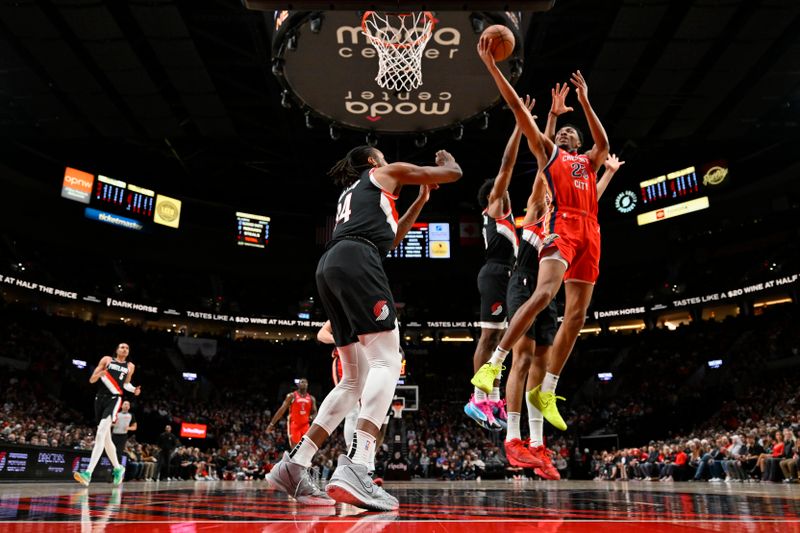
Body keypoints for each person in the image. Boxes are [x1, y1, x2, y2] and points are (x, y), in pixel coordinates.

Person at [267, 145, 461, 510]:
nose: (389, 160)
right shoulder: (379, 175)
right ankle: (360, 465)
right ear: (373, 161)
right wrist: (444, 163)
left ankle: (295, 464)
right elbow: (454, 174)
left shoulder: (357, 196)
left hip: (331, 265)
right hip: (357, 260)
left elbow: (390, 239)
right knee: (388, 361)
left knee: (353, 379)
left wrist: (419, 200)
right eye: (384, 155)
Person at [471, 34, 610, 433]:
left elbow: (603, 142)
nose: (564, 135)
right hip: (562, 226)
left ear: (578, 143)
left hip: (591, 232)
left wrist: (584, 102)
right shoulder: (551, 157)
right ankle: (494, 365)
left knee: (578, 314)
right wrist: (494, 69)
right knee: (546, 294)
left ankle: (547, 389)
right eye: (559, 133)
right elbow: (519, 111)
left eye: (570, 134)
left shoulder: (589, 161)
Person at [464, 97, 533, 432]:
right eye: (501, 192)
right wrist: (521, 126)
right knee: (490, 338)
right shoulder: (494, 208)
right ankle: (478, 397)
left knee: (502, 338)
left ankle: (489, 396)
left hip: (506, 275)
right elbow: (506, 164)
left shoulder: (508, 221)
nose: (506, 194)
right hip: (494, 273)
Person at [73, 342, 141, 486]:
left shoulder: (130, 366)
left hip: (114, 399)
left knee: (100, 434)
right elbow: (92, 380)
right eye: (122, 347)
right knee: (106, 439)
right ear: (116, 350)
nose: (125, 349)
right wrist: (100, 373)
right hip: (99, 399)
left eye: (127, 348)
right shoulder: (106, 360)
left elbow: (126, 384)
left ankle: (88, 473)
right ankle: (118, 468)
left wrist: (133, 389)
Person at [267, 379, 317, 448]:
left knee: (304, 448)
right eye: (302, 382)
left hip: (305, 426)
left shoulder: (311, 398)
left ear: (307, 385)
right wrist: (271, 424)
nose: (304, 383)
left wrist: (311, 417)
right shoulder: (291, 396)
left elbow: (315, 413)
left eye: (305, 382)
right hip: (294, 425)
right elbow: (281, 410)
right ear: (298, 385)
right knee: (294, 449)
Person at [111, 400, 137, 466]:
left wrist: (129, 428)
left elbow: (135, 427)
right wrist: (113, 424)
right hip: (114, 435)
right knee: (111, 451)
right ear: (121, 406)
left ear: (129, 407)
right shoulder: (116, 414)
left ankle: (117, 468)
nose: (126, 406)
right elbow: (110, 423)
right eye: (125, 404)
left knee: (119, 453)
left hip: (123, 436)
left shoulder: (131, 415)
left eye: (128, 404)